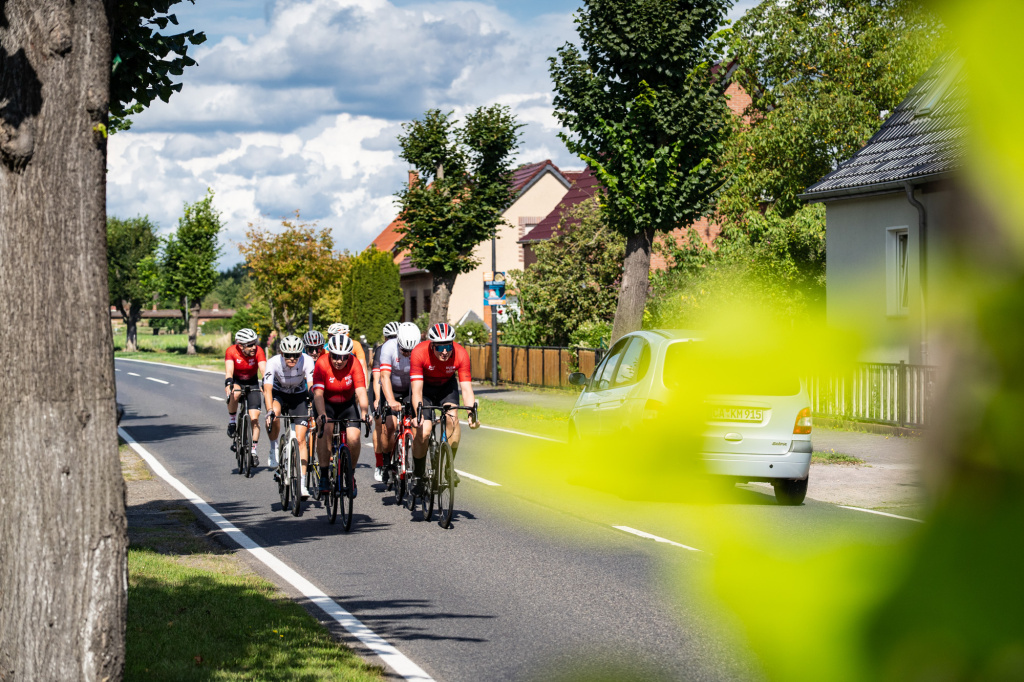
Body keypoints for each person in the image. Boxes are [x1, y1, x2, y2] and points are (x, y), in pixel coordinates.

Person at [410, 323, 479, 495]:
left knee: (452, 420)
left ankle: (449, 467)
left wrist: (472, 413)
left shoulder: (461, 354)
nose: (444, 351)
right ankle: (418, 475)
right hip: (425, 389)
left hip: (447, 387)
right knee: (424, 431)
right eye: (440, 347)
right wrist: (418, 414)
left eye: (448, 346)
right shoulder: (419, 352)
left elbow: (467, 389)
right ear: (432, 345)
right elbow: (416, 390)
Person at [312, 334, 369, 497]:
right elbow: (318, 394)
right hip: (326, 403)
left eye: (343, 357)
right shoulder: (321, 363)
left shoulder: (354, 363)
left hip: (347, 404)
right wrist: (321, 414)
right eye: (335, 356)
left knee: (354, 437)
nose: (339, 361)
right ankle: (324, 475)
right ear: (329, 354)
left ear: (349, 356)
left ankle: (350, 474)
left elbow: (361, 391)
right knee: (326, 429)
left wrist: (364, 412)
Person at [262, 335, 315, 493]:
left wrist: (313, 404)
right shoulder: (273, 362)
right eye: (288, 355)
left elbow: (311, 386)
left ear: (301, 353)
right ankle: (274, 448)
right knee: (275, 414)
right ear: (281, 353)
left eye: (296, 355)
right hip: (279, 394)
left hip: (298, 396)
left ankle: (303, 484)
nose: (292, 358)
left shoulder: (307, 360)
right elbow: (267, 389)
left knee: (301, 440)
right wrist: (270, 411)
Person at [376, 322, 420, 484]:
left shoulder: (419, 349)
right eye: (404, 351)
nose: (408, 354)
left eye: (411, 351)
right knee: (390, 425)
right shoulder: (388, 348)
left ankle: (416, 463)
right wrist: (391, 400)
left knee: (417, 424)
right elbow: (384, 377)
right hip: (391, 389)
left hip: (410, 389)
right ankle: (387, 462)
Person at [225, 328, 267, 465]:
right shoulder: (231, 351)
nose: (254, 347)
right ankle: (232, 422)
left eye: (254, 343)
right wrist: (229, 383)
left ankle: (253, 451)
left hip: (252, 382)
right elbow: (229, 371)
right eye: (250, 345)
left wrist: (266, 382)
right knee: (235, 393)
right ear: (240, 345)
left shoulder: (259, 351)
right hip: (237, 381)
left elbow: (264, 370)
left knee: (255, 419)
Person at [371, 321, 400, 480]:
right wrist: (377, 399)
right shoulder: (381, 350)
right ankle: (380, 464)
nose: (393, 340)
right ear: (385, 337)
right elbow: (377, 378)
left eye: (395, 337)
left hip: (398, 387)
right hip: (380, 386)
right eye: (390, 337)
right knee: (381, 424)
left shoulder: (405, 349)